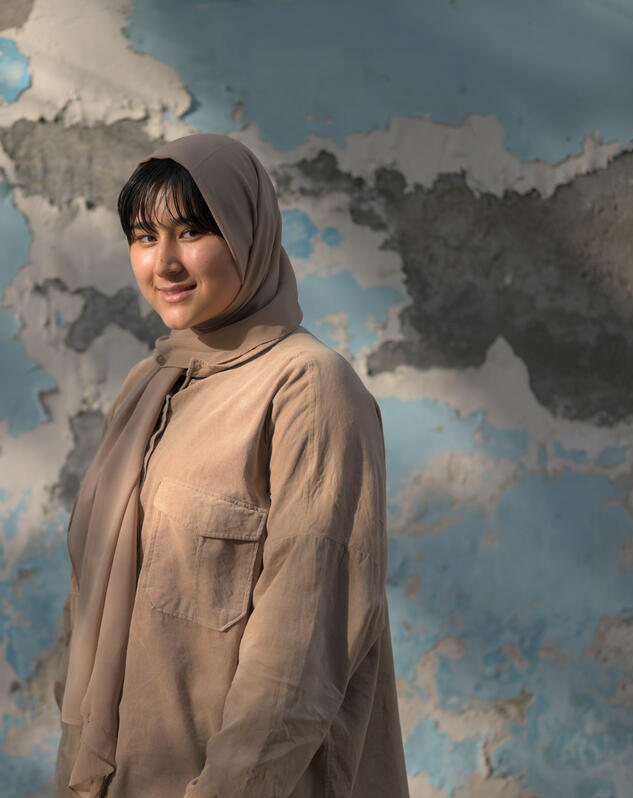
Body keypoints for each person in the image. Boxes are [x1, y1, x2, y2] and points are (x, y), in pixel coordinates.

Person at [52, 134, 410, 798]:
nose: (165, 262)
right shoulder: (149, 385)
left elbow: (303, 647)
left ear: (249, 233)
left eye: (192, 232)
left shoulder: (308, 387)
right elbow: (86, 615)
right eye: (144, 237)